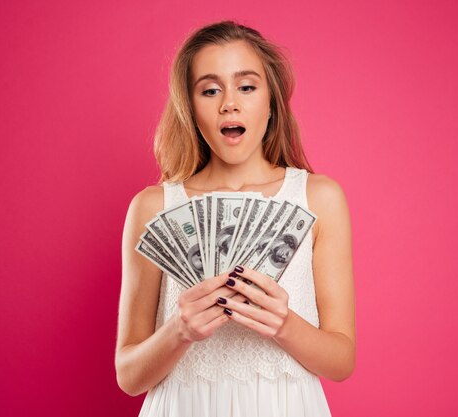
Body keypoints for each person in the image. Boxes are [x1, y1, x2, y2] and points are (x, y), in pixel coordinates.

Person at [115, 20, 355, 417]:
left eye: (246, 86)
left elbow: (341, 361)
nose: (230, 102)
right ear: (190, 109)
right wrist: (179, 330)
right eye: (210, 90)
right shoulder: (153, 206)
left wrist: (284, 324)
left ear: (271, 101)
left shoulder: (319, 198)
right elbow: (128, 376)